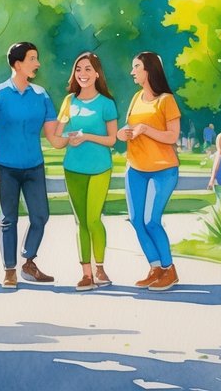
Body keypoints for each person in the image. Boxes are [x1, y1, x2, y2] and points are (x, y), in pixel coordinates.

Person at [0, 42, 59, 289]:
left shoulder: (41, 95)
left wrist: (71, 133)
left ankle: (28, 261)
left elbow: (53, 134)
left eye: (37, 58)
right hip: (5, 166)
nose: (37, 64)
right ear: (17, 64)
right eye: (32, 59)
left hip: (34, 165)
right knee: (8, 219)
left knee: (41, 216)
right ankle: (9, 270)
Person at [54, 52, 119, 291]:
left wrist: (87, 136)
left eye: (88, 69)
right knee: (80, 221)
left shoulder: (106, 104)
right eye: (78, 69)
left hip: (100, 168)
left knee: (93, 219)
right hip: (73, 168)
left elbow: (112, 140)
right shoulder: (69, 102)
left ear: (97, 73)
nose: (82, 74)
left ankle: (100, 268)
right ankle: (86, 273)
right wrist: (67, 138)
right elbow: (58, 135)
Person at [119, 51, 182, 292]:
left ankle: (170, 269)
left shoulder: (166, 100)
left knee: (151, 220)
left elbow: (172, 136)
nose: (132, 72)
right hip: (135, 167)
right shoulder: (136, 98)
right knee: (136, 220)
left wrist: (145, 129)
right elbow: (130, 127)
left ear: (149, 70)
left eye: (136, 67)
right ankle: (155, 268)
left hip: (163, 169)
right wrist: (121, 133)